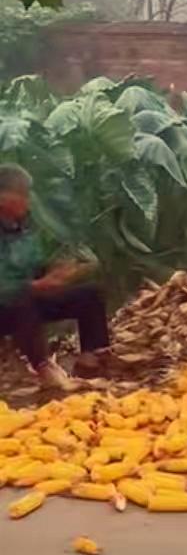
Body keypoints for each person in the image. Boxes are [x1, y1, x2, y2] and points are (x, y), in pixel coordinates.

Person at [0, 163, 117, 390]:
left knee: (90, 295)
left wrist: (58, 271)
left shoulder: (22, 226)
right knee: (21, 300)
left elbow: (31, 265)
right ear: (3, 198)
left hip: (28, 299)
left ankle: (91, 360)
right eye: (23, 195)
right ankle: (44, 369)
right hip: (8, 307)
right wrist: (35, 286)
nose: (29, 201)